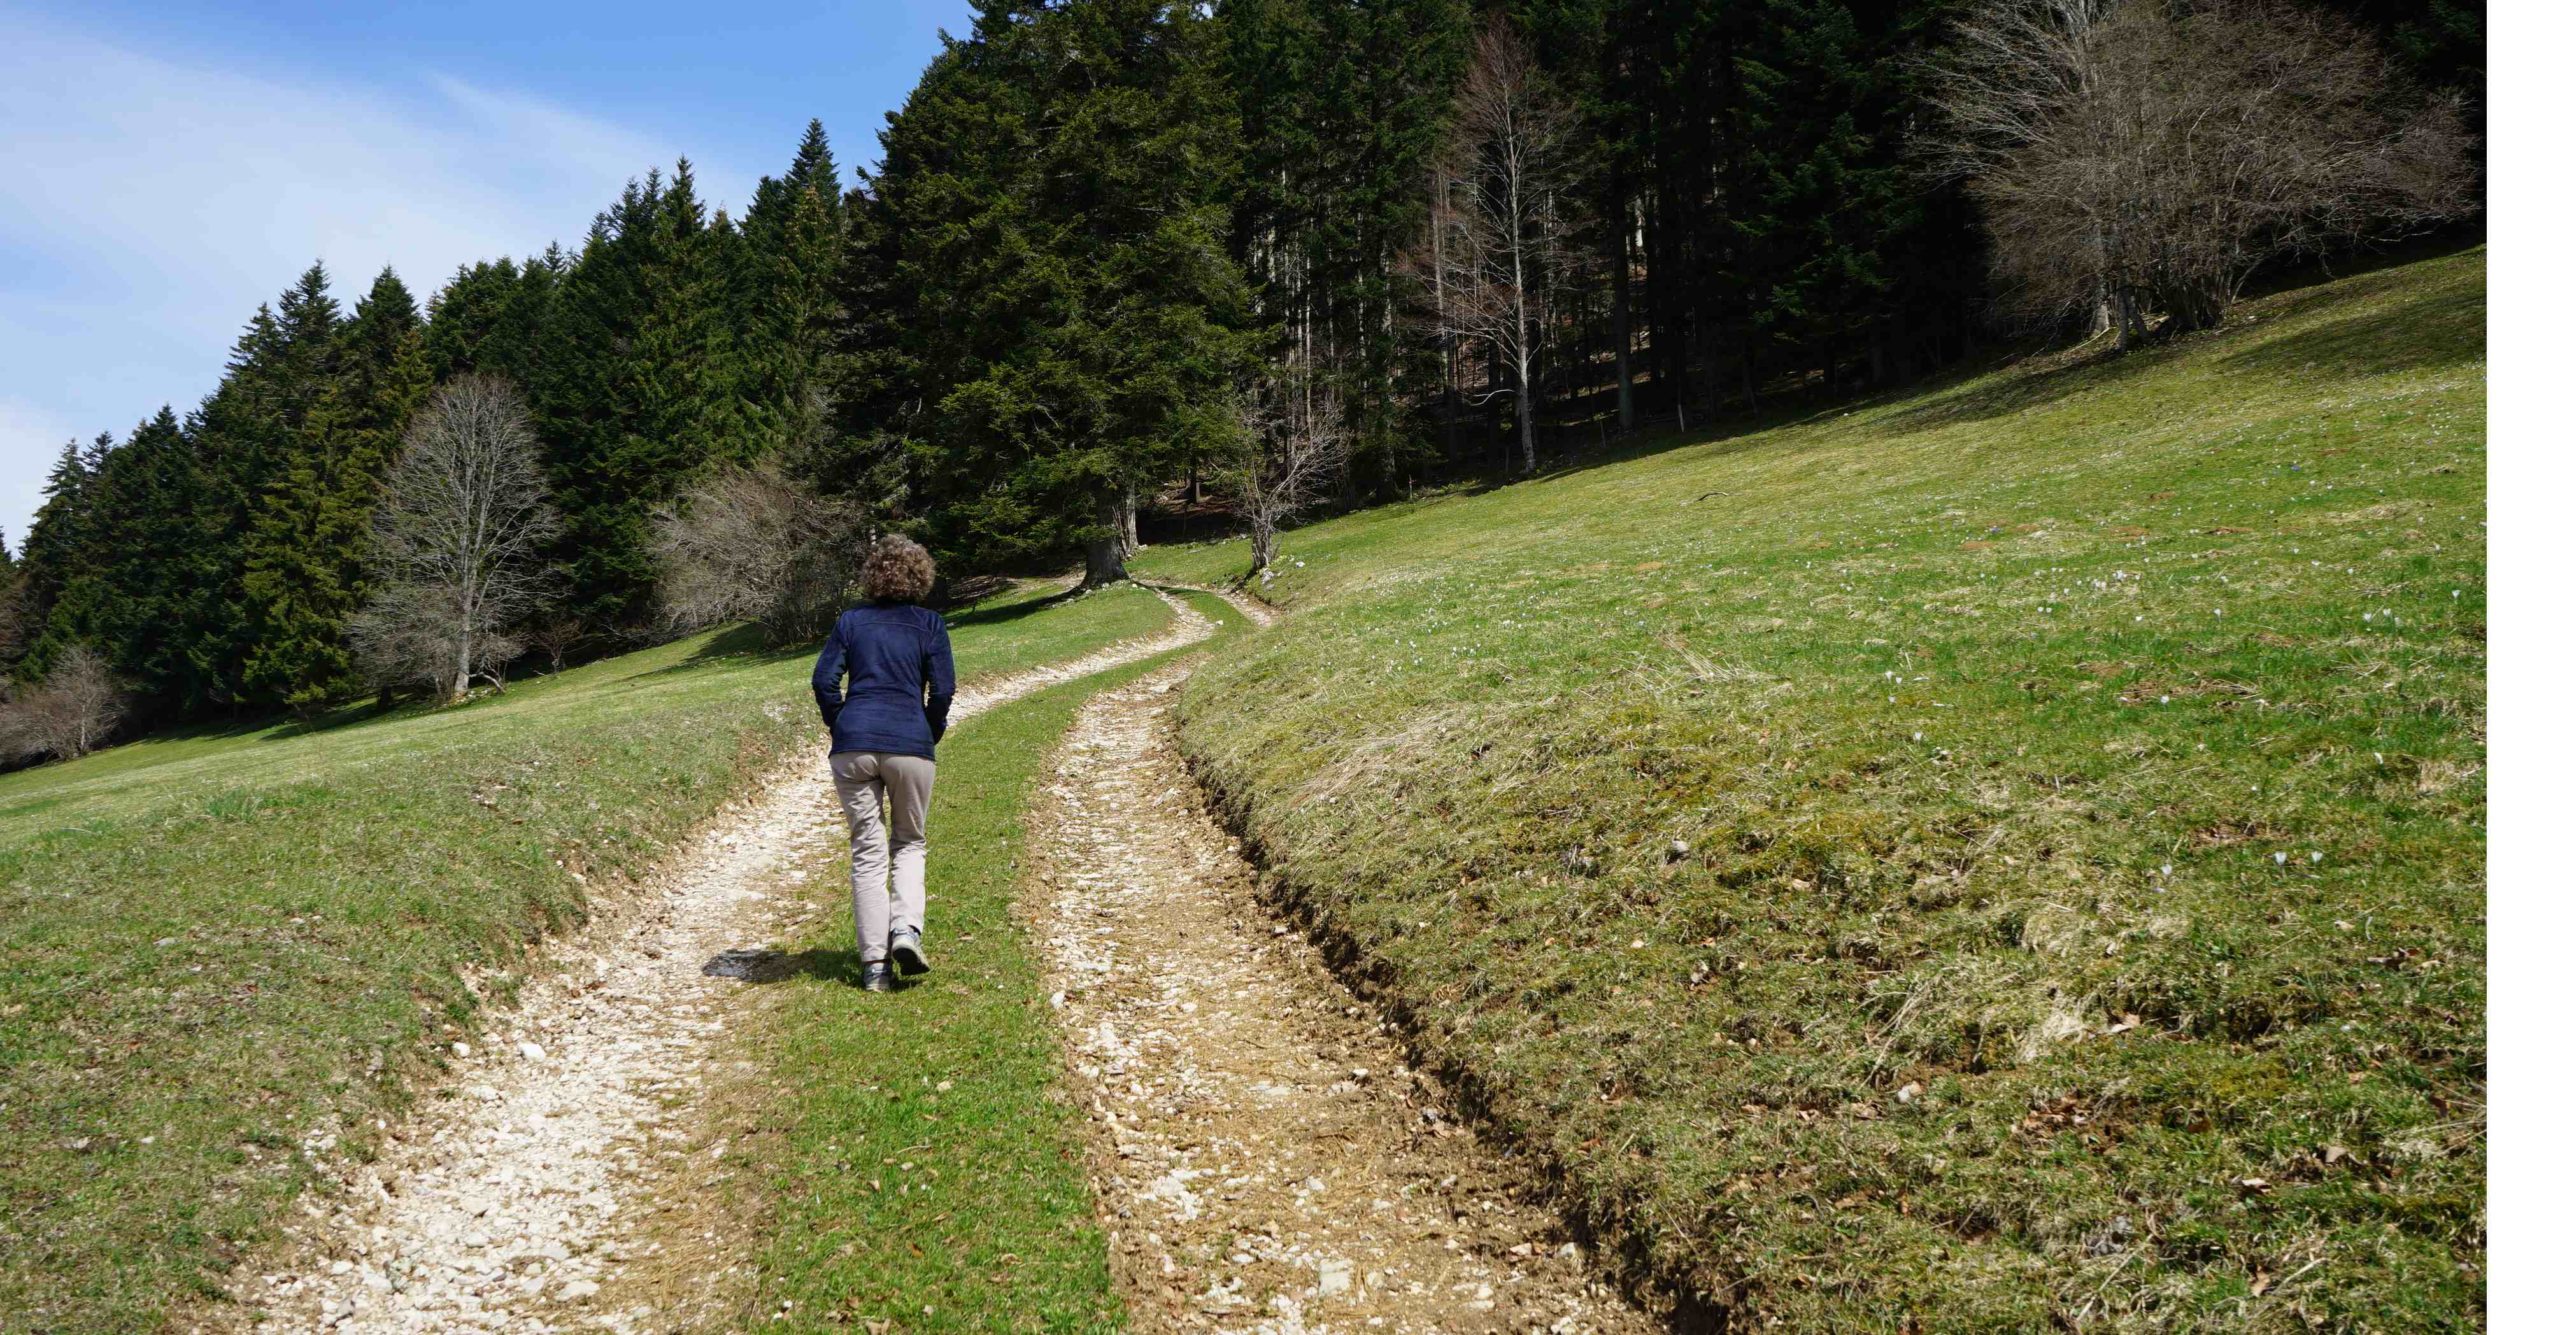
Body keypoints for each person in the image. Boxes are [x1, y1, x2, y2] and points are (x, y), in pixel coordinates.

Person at [811, 535, 954, 993]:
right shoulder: (928, 623)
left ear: (872, 576)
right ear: (921, 576)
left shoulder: (851, 622)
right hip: (910, 743)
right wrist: (927, 730)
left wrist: (842, 726)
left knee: (867, 852)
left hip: (853, 746)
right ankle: (905, 931)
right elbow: (944, 689)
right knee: (909, 842)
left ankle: (875, 966)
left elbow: (823, 681)